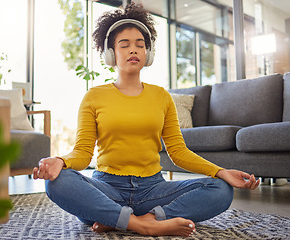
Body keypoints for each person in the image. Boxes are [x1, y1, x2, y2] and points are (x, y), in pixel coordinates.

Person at [33, 3, 260, 237]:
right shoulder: (94, 96)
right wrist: (60, 161)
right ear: (110, 53)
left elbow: (179, 152)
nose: (134, 50)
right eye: (125, 45)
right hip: (107, 189)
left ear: (147, 54)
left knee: (221, 189)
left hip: (153, 189)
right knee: (56, 181)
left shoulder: (162, 96)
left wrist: (220, 171)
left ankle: (131, 218)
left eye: (140, 45)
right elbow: (82, 153)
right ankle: (142, 225)